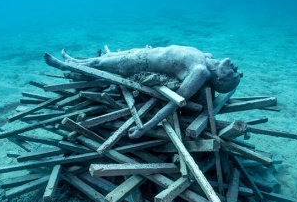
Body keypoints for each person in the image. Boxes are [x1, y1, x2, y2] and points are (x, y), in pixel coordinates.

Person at [44, 45, 241, 138]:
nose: (235, 67)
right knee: (110, 56)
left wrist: (144, 127)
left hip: (142, 63)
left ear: (220, 79)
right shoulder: (207, 57)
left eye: (233, 73)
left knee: (100, 63)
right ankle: (75, 61)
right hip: (146, 52)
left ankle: (65, 66)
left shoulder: (200, 72)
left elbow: (175, 102)